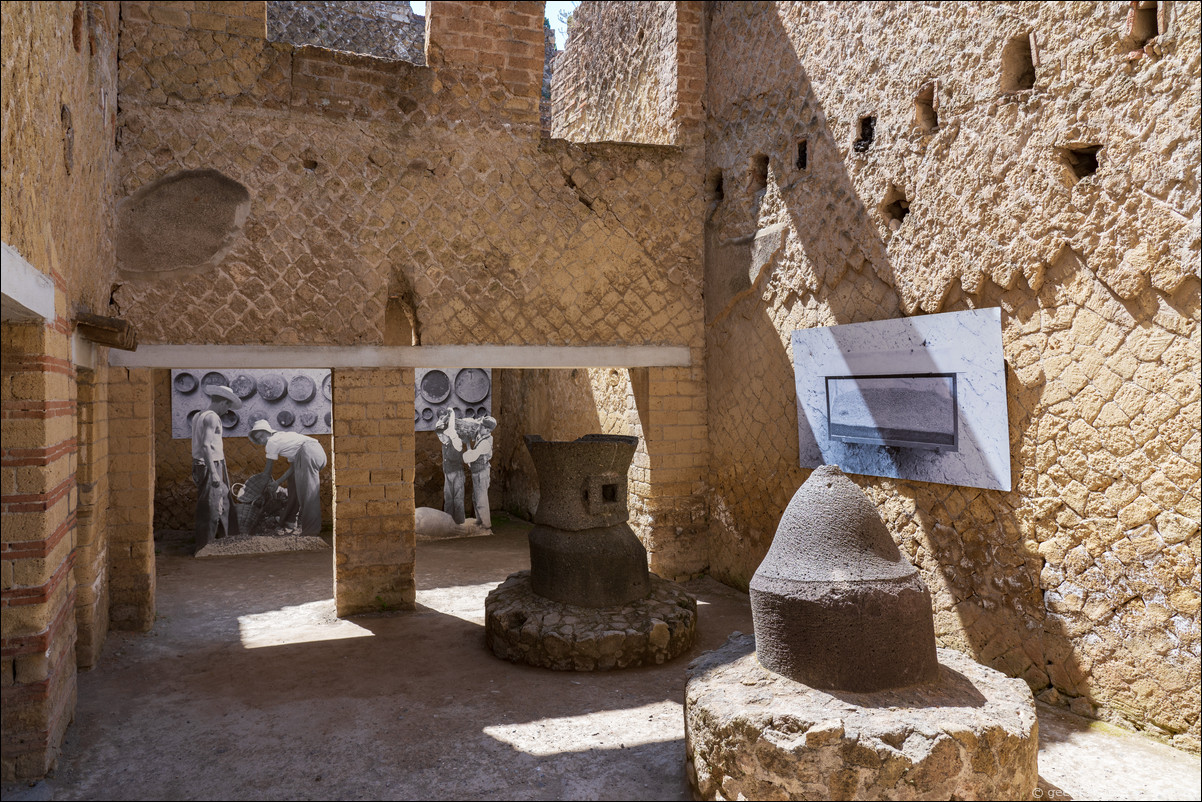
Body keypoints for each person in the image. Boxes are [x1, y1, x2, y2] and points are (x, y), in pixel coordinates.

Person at [249, 420, 328, 536]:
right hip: (317, 453)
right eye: (258, 439)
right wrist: (277, 482)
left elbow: (267, 471)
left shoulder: (271, 441)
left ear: (268, 432)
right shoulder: (283, 438)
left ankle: (311, 534)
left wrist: (260, 488)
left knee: (308, 494)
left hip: (308, 452)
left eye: (262, 435)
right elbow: (293, 468)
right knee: (293, 483)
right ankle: (290, 521)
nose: (261, 440)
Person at [192, 385, 241, 549]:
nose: (227, 411)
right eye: (228, 406)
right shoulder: (212, 417)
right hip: (210, 464)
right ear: (223, 402)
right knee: (211, 507)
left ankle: (225, 541)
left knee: (224, 501)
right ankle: (206, 547)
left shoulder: (199, 415)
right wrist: (213, 473)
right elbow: (205, 446)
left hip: (208, 463)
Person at [462, 415, 496, 529]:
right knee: (476, 497)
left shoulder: (485, 443)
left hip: (482, 473)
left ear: (487, 429)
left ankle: (486, 524)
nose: (479, 427)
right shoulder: (481, 436)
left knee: (481, 499)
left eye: (480, 426)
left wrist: (467, 444)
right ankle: (479, 520)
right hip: (477, 472)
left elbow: (470, 457)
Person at [435, 408, 466, 524]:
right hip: (447, 472)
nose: (441, 438)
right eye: (440, 437)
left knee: (458, 498)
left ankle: (459, 522)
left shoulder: (456, 441)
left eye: (443, 436)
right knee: (448, 498)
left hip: (457, 473)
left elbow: (451, 430)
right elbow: (438, 427)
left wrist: (451, 413)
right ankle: (448, 521)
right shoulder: (445, 443)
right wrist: (442, 418)